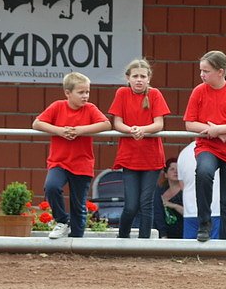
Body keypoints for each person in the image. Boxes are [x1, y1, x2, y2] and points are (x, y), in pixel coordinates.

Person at [183, 50, 226, 241]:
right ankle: (204, 224)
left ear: (220, 72)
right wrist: (212, 131)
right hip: (208, 146)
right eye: (201, 71)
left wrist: (220, 129)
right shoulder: (199, 91)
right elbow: (189, 123)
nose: (202, 75)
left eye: (206, 71)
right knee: (204, 172)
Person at [33, 72, 111, 239]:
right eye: (81, 92)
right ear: (68, 93)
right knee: (52, 187)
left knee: (78, 205)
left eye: (87, 92)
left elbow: (106, 124)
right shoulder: (57, 106)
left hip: (82, 163)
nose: (85, 96)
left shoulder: (90, 108)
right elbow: (37, 123)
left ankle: (76, 240)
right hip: (59, 161)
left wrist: (79, 131)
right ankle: (62, 221)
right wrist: (60, 131)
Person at [108, 58, 171, 239]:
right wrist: (131, 130)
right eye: (135, 76)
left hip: (151, 157)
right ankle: (123, 238)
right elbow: (117, 122)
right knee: (131, 205)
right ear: (128, 78)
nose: (139, 80)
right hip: (130, 157)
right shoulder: (122, 93)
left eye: (143, 76)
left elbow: (159, 124)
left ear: (149, 78)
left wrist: (142, 130)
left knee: (146, 203)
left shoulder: (155, 94)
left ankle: (144, 243)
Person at [178, 141, 221, 239]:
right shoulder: (219, 151)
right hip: (214, 209)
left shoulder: (184, 153)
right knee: (215, 250)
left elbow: (182, 185)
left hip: (190, 210)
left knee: (189, 251)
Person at [153, 158, 184, 239]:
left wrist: (173, 206)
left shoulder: (186, 191)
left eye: (178, 169)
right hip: (164, 235)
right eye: (172, 169)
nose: (176, 172)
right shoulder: (160, 192)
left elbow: (190, 213)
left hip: (183, 235)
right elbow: (157, 214)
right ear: (166, 174)